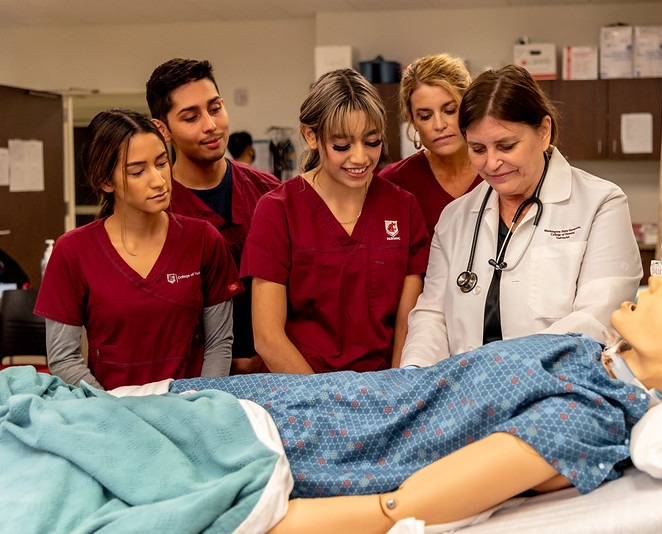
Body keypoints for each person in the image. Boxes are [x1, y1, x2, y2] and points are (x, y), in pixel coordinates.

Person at [168, 262, 662, 532]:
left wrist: (246, 525)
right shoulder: (588, 360)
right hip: (308, 402)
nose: (656, 278)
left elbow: (402, 506)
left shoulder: (588, 416)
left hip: (291, 445)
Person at [400, 64, 643, 368]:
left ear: (544, 131)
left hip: (558, 387)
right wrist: (416, 373)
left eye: (506, 145)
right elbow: (432, 316)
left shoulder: (600, 204)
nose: (491, 163)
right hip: (466, 391)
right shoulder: (455, 218)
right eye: (477, 148)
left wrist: (504, 369)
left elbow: (597, 319)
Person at [34, 109, 243, 390]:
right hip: (113, 412)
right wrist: (111, 410)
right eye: (137, 171)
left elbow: (219, 343)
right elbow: (63, 358)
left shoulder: (204, 239)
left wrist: (201, 402)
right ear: (106, 182)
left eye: (161, 163)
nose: (158, 180)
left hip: (191, 408)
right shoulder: (72, 251)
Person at [241, 69, 430, 374]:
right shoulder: (278, 210)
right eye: (342, 146)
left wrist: (396, 389)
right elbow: (268, 338)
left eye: (372, 141)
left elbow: (407, 324)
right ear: (311, 136)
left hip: (382, 388)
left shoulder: (402, 207)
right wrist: (324, 401)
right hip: (301, 391)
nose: (360, 158)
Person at [146, 58, 281, 374]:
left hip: (272, 371)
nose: (210, 125)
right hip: (191, 378)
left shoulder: (269, 193)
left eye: (216, 108)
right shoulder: (157, 208)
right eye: (191, 117)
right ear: (162, 129)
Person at [378, 53, 482, 239]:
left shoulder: (497, 170)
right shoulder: (394, 182)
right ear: (412, 120)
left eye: (450, 111)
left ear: (468, 108)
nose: (439, 125)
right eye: (425, 116)